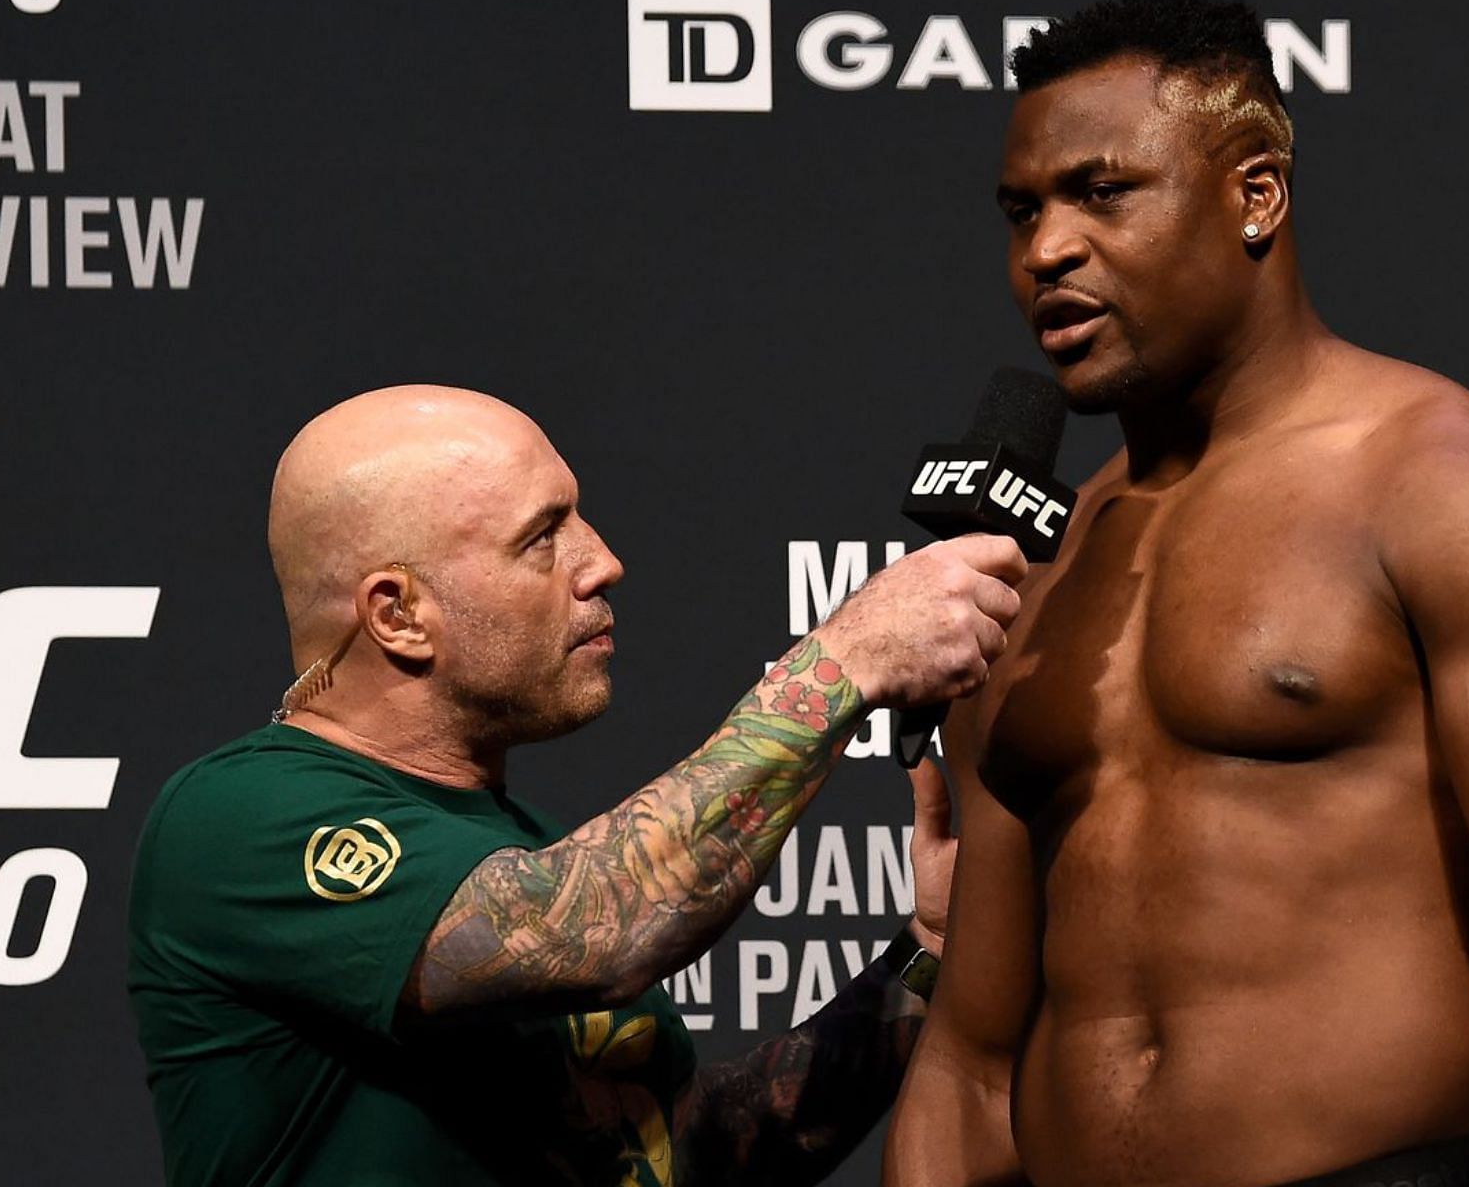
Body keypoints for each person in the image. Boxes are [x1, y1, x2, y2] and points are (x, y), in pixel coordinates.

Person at [884, 0, 1469, 1187]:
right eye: (1024, 212)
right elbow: (968, 1057)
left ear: (1255, 196)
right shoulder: (1043, 575)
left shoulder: (1454, 494)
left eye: (1103, 191)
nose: (1047, 249)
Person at [127, 384, 1027, 1186]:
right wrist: (842, 663)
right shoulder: (236, 821)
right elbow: (590, 928)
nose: (601, 563)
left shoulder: (518, 838)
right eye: (541, 537)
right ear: (398, 614)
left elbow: (695, 1152)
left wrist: (927, 949)